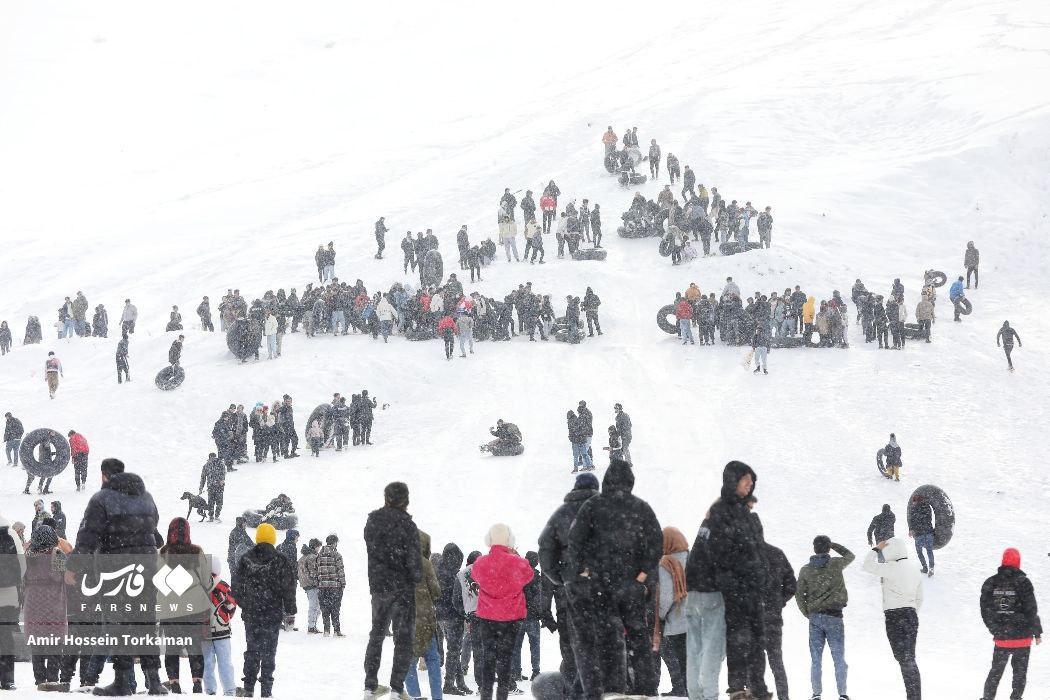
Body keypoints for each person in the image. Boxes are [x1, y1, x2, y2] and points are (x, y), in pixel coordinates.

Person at [65, 457, 165, 694]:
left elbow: (87, 537)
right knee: (145, 623)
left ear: (103, 475)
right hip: (147, 570)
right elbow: (154, 529)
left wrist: (73, 567)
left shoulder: (102, 499)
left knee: (119, 624)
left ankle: (122, 681)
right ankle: (154, 681)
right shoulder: (146, 498)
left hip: (116, 571)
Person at [566, 460, 663, 699]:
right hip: (631, 584)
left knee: (607, 636)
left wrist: (585, 570)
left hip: (601, 583)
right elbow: (656, 543)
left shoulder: (592, 505)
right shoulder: (640, 507)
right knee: (638, 636)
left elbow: (575, 541)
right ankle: (646, 687)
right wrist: (643, 574)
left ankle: (611, 686)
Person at [708, 461, 767, 700]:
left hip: (753, 590)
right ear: (732, 481)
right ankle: (738, 689)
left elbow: (759, 551)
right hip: (736, 590)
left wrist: (760, 575)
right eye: (746, 480)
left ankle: (756, 687)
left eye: (752, 481)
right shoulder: (721, 512)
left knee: (757, 641)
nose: (750, 484)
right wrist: (734, 581)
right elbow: (719, 552)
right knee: (738, 639)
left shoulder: (749, 517)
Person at [363, 482, 421, 700]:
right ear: (405, 499)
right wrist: (413, 576)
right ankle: (396, 688)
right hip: (403, 588)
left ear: (386, 497)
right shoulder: (408, 525)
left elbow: (373, 551)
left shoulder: (372, 522)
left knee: (376, 634)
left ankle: (370, 685)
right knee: (403, 639)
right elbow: (414, 562)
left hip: (379, 586)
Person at [231, 522, 297, 698]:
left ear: (258, 537)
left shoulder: (246, 558)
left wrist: (245, 603)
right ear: (273, 538)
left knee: (252, 649)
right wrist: (290, 610)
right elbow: (288, 588)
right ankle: (266, 690)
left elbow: (235, 586)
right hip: (272, 614)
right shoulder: (281, 560)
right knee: (269, 651)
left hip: (252, 614)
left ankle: (249, 688)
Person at [470, 524, 534, 700]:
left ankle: (486, 696)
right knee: (505, 661)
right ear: (509, 540)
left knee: (488, 659)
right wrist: (515, 555)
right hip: (511, 618)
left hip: (487, 617)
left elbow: (475, 576)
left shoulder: (481, 562)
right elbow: (529, 575)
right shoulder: (518, 563)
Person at [862, 539, 923, 700]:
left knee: (902, 658)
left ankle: (913, 696)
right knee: (909, 658)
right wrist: (910, 611)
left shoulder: (891, 567)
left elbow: (866, 565)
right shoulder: (914, 569)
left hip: (894, 616)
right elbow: (919, 598)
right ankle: (914, 696)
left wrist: (875, 549)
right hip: (911, 615)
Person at [795, 536, 854, 700]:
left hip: (815, 618)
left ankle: (816, 694)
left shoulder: (805, 570)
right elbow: (850, 556)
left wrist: (808, 613)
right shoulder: (835, 564)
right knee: (839, 658)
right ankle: (842, 694)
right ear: (828, 548)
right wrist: (834, 545)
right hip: (834, 617)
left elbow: (799, 595)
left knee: (816, 659)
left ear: (814, 549)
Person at [979, 548, 1041, 700]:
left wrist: (995, 629)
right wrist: (1037, 632)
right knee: (1019, 675)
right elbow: (1031, 610)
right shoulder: (1023, 582)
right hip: (1022, 638)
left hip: (1002, 639)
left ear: (1003, 561)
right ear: (1018, 562)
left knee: (995, 672)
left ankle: (987, 698)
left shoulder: (991, 582)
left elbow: (985, 610)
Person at [684, 508, 725, 700]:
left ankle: (695, 695)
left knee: (694, 650)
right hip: (713, 595)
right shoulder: (722, 532)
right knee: (712, 649)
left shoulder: (701, 533)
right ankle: (709, 696)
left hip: (692, 596)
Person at [406, 531, 444, 700]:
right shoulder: (426, 564)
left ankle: (414, 696)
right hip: (425, 620)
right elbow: (436, 592)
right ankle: (437, 696)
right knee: (433, 661)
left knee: (408, 662)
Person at [759, 537, 795, 700]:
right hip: (772, 618)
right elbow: (791, 585)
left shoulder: (743, 554)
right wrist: (778, 602)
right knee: (776, 662)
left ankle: (757, 695)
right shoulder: (777, 553)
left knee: (753, 663)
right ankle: (783, 697)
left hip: (751, 619)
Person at [657, 527, 689, 697]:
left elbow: (666, 596)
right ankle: (690, 689)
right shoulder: (691, 559)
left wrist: (660, 616)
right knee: (692, 658)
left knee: (676, 657)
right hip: (696, 618)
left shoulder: (667, 562)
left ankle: (682, 688)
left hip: (676, 619)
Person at [435, 543, 469, 695]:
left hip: (441, 617)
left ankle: (460, 682)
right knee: (454, 650)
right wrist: (463, 613)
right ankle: (449, 684)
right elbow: (457, 598)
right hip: (454, 616)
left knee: (453, 650)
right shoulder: (455, 574)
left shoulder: (437, 572)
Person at [202, 559, 238, 697]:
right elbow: (232, 606)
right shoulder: (223, 586)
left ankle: (210, 690)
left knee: (207, 663)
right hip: (222, 630)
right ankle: (229, 690)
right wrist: (225, 620)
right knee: (225, 663)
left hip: (204, 631)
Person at [0, 510, 28, 691]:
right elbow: (22, 566)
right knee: (6, 637)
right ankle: (7, 678)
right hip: (9, 597)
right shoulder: (10, 534)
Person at [317, 535, 346, 637]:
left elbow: (317, 571)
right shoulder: (337, 555)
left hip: (322, 586)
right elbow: (340, 571)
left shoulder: (319, 555)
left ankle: (326, 630)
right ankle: (337, 631)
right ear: (334, 543)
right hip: (335, 586)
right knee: (335, 608)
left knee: (325, 608)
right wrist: (343, 584)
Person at [907, 493, 936, 576]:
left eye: (914, 501)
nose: (913, 503)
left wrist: (911, 530)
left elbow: (911, 521)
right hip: (929, 532)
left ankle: (925, 567)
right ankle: (931, 568)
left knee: (919, 552)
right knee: (929, 551)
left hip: (919, 534)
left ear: (916, 501)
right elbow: (930, 518)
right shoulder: (927, 507)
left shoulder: (913, 509)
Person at [298, 539, 322, 634]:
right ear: (314, 547)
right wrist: (318, 582)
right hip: (312, 584)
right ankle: (311, 627)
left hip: (306, 585)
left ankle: (312, 626)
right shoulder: (312, 557)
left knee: (315, 605)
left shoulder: (303, 557)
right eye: (318, 547)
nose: (319, 549)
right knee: (315, 606)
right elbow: (314, 572)